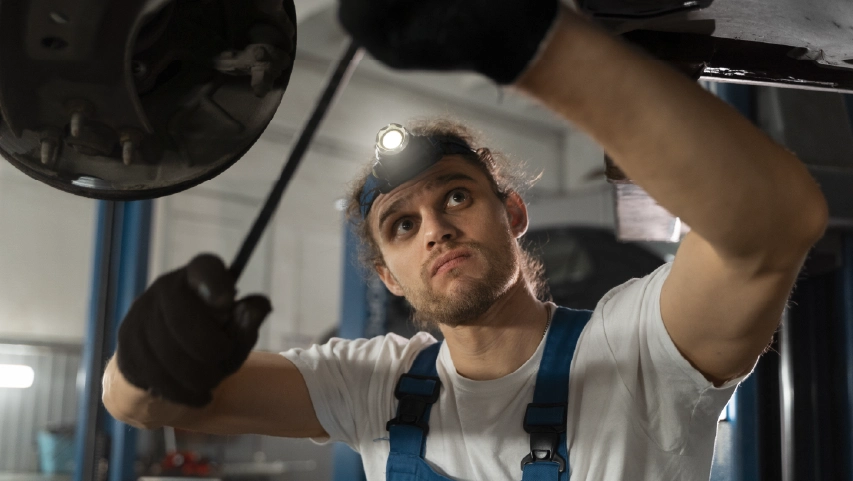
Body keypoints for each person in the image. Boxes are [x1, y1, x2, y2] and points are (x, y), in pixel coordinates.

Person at [102, 1, 829, 480]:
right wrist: (147, 356)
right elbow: (140, 405)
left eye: (456, 194)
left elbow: (773, 227)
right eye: (401, 224)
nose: (436, 227)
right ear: (388, 275)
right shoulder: (371, 386)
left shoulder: (637, 349)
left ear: (511, 213)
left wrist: (534, 43)